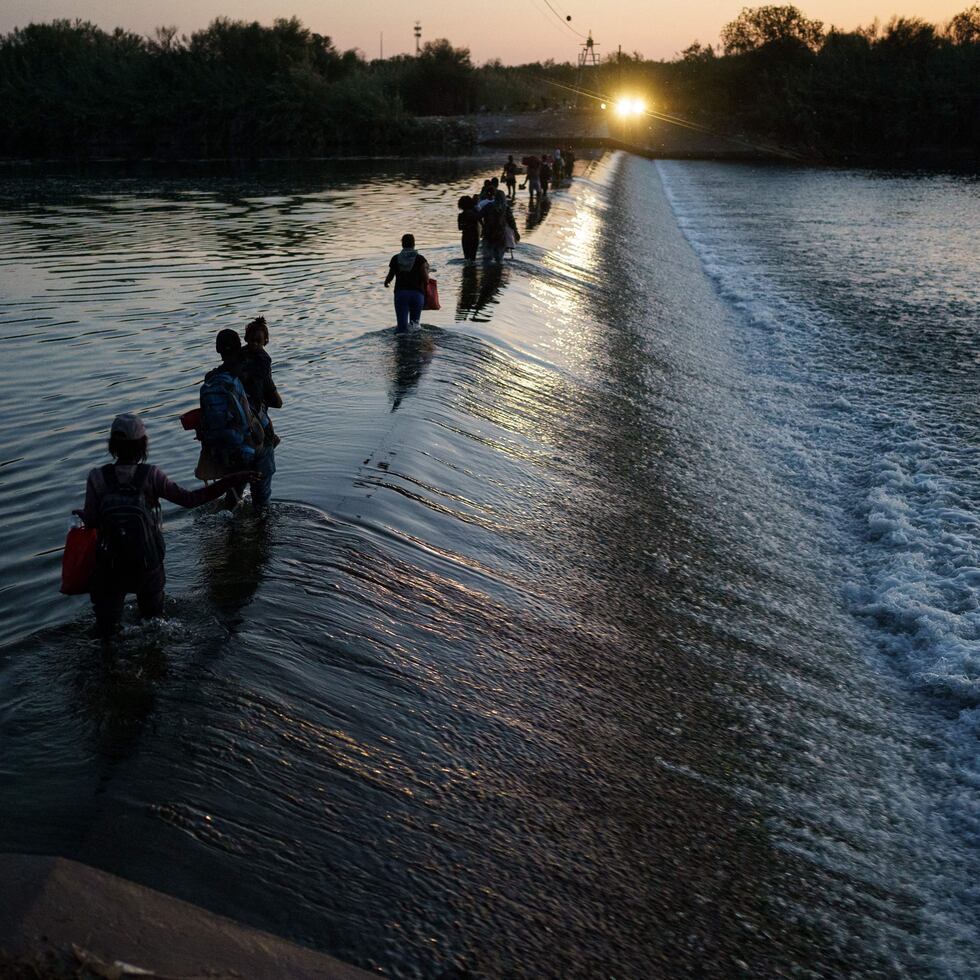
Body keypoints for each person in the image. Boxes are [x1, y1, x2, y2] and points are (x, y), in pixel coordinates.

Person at [78, 413, 254, 637]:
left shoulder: (96, 477)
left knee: (107, 631)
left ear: (112, 445)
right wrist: (230, 480)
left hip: (111, 566)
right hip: (147, 563)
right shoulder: (151, 475)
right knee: (153, 626)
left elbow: (91, 521)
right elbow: (191, 500)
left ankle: (109, 663)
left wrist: (82, 516)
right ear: (143, 445)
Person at [199, 328, 271, 506]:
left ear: (218, 350)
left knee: (233, 496)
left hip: (227, 448)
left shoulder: (210, 379)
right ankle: (263, 526)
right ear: (240, 346)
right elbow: (272, 403)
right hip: (255, 443)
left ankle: (231, 528)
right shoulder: (249, 371)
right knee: (261, 501)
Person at [238, 316, 283, 449]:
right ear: (246, 339)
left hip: (258, 395)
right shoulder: (242, 353)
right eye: (252, 340)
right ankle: (270, 439)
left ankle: (271, 437)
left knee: (264, 418)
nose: (254, 344)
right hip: (250, 396)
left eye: (258, 341)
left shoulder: (263, 359)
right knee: (262, 417)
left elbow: (267, 381)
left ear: (265, 341)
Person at [384, 233, 429, 333]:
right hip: (417, 295)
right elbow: (426, 279)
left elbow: (390, 277)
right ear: (414, 244)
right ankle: (415, 346)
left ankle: (402, 344)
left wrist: (386, 283)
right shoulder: (420, 259)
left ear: (402, 244)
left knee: (402, 328)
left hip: (401, 295)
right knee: (415, 325)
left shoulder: (395, 258)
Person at [457, 195, 480, 262]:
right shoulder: (475, 213)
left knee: (466, 258)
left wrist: (466, 226)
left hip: (465, 237)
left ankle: (467, 271)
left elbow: (460, 228)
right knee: (473, 258)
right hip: (474, 236)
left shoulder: (460, 215)